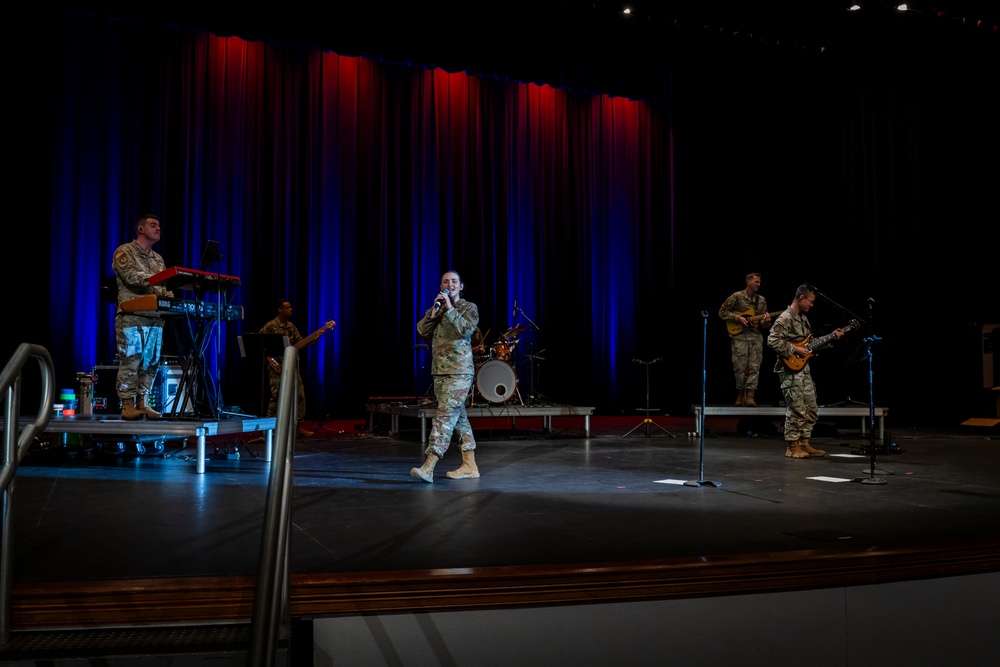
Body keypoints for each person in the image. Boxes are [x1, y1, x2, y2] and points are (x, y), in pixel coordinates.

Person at [410, 270, 481, 482]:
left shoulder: (469, 308)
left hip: (460, 370)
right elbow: (421, 330)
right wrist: (434, 312)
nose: (449, 284)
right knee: (458, 418)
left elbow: (465, 330)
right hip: (440, 371)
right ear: (441, 286)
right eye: (445, 281)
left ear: (461, 286)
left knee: (444, 416)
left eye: (454, 281)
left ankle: (429, 465)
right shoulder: (438, 308)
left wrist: (450, 308)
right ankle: (470, 465)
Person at [767, 284, 844, 459]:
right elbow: (772, 341)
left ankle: (804, 442)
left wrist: (831, 337)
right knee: (796, 408)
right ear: (801, 298)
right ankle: (792, 446)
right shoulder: (785, 318)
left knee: (811, 407)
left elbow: (808, 345)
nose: (812, 304)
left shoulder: (803, 319)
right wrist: (794, 350)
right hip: (790, 370)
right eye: (811, 300)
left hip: (803, 369)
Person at [113, 213, 173, 420]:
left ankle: (143, 403)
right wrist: (161, 281)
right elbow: (133, 278)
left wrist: (169, 295)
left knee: (151, 361)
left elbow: (163, 287)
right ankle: (127, 404)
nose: (158, 229)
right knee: (132, 359)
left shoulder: (158, 259)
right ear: (140, 229)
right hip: (133, 316)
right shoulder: (125, 251)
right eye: (153, 225)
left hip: (155, 317)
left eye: (159, 226)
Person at [259, 299, 335, 438]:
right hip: (276, 368)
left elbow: (300, 343)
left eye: (290, 307)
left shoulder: (291, 327)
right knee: (276, 397)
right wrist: (274, 363)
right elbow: (261, 345)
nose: (290, 309)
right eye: (287, 307)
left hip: (291, 366)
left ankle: (297, 427)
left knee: (299, 396)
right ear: (279, 310)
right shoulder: (270, 326)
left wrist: (317, 335)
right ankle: (267, 429)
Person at [719, 272, 775, 407]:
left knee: (755, 366)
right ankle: (741, 392)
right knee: (739, 367)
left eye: (759, 282)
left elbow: (763, 323)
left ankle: (750, 395)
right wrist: (738, 318)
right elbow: (722, 311)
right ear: (748, 282)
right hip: (739, 336)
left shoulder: (761, 300)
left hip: (755, 336)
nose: (759, 284)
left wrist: (767, 321)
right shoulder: (737, 297)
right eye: (756, 281)